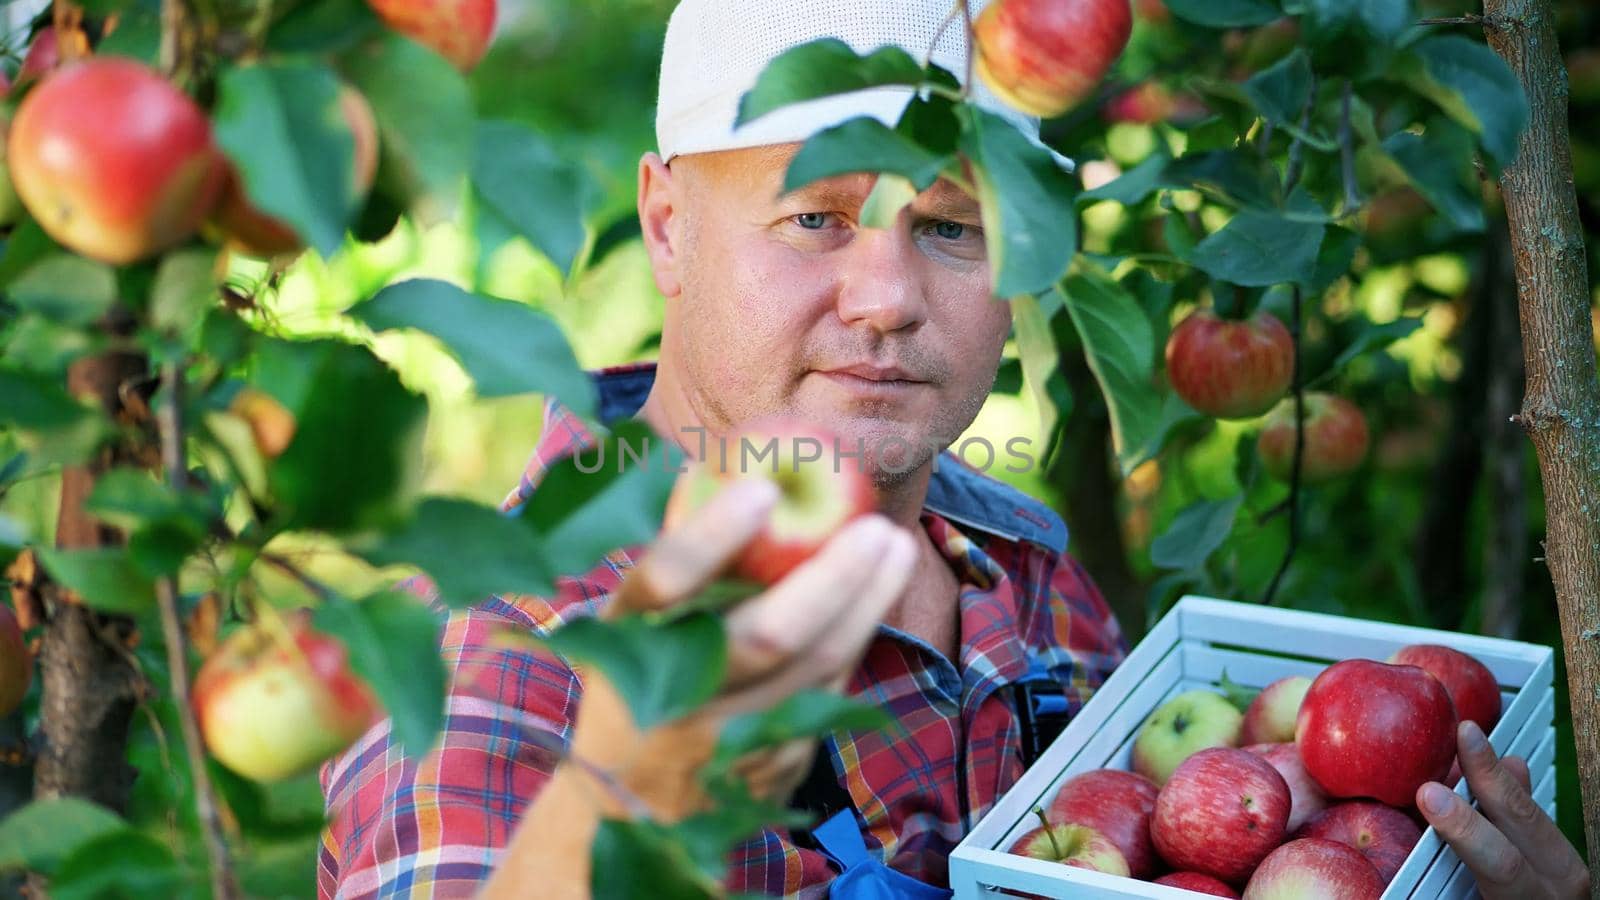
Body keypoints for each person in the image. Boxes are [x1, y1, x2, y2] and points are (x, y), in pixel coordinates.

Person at [317, 1, 1591, 898]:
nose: (885, 297)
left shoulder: (1018, 560)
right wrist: (613, 803)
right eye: (815, 216)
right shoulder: (493, 662)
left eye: (950, 227)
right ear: (666, 224)